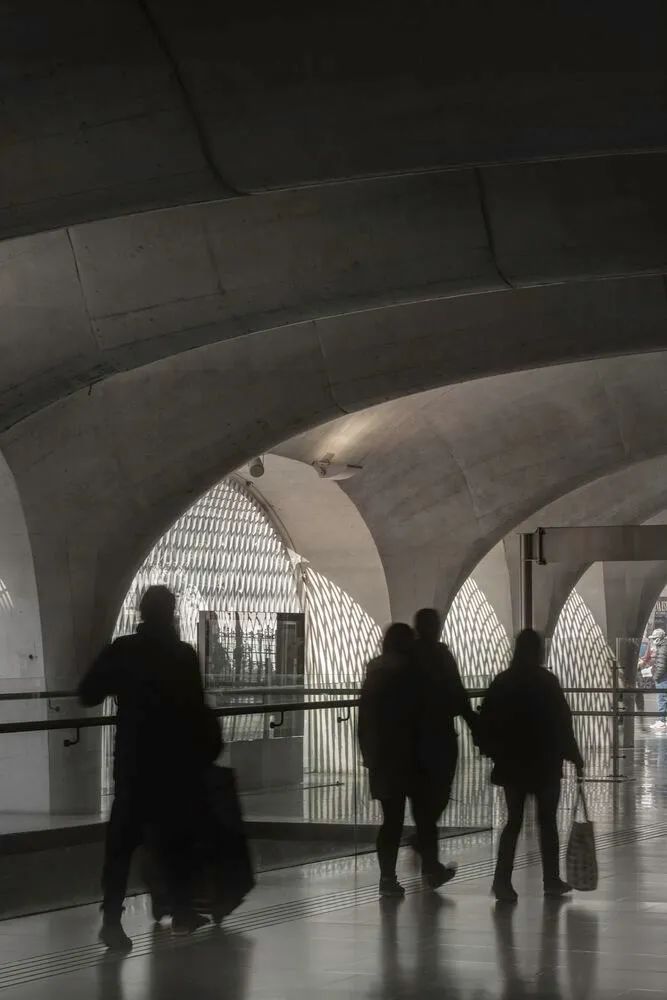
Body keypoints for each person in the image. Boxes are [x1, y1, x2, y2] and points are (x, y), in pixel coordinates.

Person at [79, 586, 221, 950]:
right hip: (174, 767)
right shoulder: (183, 655)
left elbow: (87, 693)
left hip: (131, 765)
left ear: (141, 612)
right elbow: (195, 711)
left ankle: (112, 920)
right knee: (175, 841)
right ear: (172, 613)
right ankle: (182, 911)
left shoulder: (124, 650)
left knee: (120, 848)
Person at [477, 629, 584, 902]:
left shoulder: (503, 681)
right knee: (547, 822)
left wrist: (493, 752)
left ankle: (502, 881)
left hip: (512, 764)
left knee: (513, 822)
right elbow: (562, 722)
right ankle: (550, 880)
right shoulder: (546, 681)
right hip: (545, 763)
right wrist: (573, 755)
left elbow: (487, 720)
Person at [358, 623, 452, 897]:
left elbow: (366, 721)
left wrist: (370, 756)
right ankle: (431, 869)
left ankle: (387, 878)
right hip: (416, 759)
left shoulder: (375, 675)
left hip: (386, 760)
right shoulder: (417, 675)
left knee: (391, 821)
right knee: (424, 817)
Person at [410, 608, 478, 863]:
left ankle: (426, 849)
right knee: (438, 794)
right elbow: (458, 694)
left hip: (415, 739)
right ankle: (430, 861)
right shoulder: (441, 655)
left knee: (422, 799)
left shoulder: (410, 657)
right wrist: (474, 726)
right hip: (439, 736)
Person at [649, 629, 667, 731]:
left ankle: (661, 721)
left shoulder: (663, 648)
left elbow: (661, 665)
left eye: (654, 638)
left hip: (663, 678)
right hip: (664, 677)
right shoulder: (663, 646)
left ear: (659, 639)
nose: (653, 641)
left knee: (662, 699)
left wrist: (655, 677)